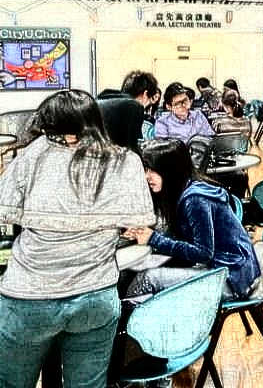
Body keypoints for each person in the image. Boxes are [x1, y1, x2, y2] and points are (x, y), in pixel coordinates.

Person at [0, 90, 155, 388]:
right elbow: (139, 222)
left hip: (30, 298)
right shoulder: (125, 160)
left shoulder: (34, 153)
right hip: (96, 296)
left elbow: (4, 210)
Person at [124, 139, 259, 299]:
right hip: (229, 268)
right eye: (146, 169)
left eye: (154, 170)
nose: (147, 176)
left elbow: (203, 253)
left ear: (171, 171)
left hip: (232, 278)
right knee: (146, 272)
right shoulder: (186, 189)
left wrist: (153, 239)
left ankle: (127, 315)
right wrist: (145, 234)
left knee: (146, 279)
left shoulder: (195, 200)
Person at [98, 69, 160, 151]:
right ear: (145, 94)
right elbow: (133, 147)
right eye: (149, 102)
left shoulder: (102, 98)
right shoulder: (134, 107)